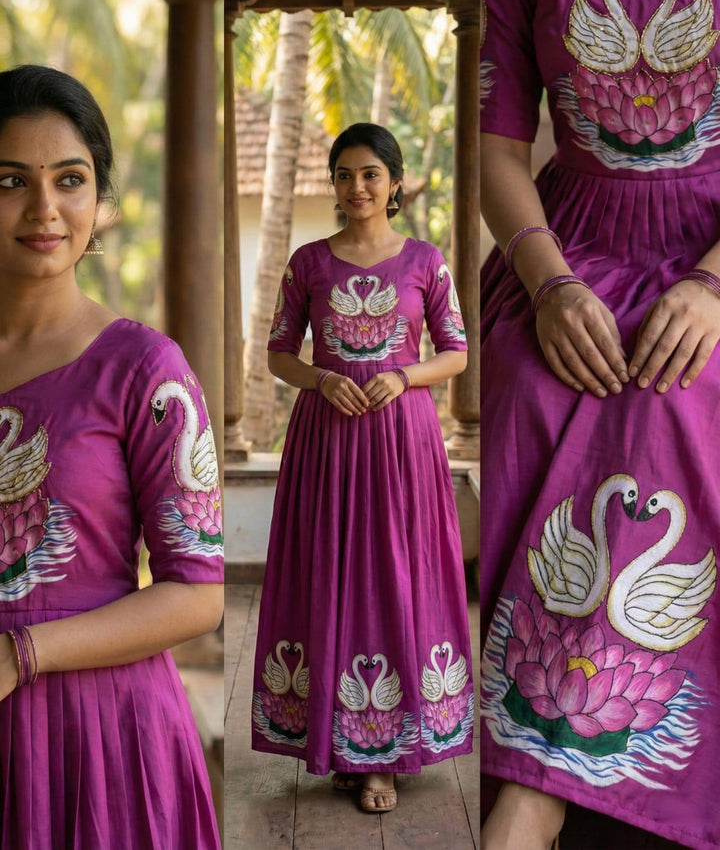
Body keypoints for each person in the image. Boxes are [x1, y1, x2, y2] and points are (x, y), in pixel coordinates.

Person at [480, 0, 720, 848]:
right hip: (566, 246)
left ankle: (540, 788)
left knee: (676, 392)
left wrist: (709, 288)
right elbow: (497, 149)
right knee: (541, 386)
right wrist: (549, 288)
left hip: (713, 253)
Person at [0, 65, 224, 849]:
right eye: (10, 180)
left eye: (70, 179)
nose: (44, 209)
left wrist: (19, 654)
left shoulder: (145, 371)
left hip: (101, 741)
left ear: (100, 204)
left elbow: (198, 595)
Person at [250, 123, 473, 812]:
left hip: (402, 443)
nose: (356, 187)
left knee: (395, 575)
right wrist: (319, 381)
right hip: (327, 441)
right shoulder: (308, 262)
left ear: (395, 182)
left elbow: (457, 352)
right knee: (331, 572)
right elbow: (279, 352)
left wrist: (405, 377)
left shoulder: (426, 262)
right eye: (344, 174)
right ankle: (337, 741)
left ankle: (386, 757)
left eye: (370, 174)